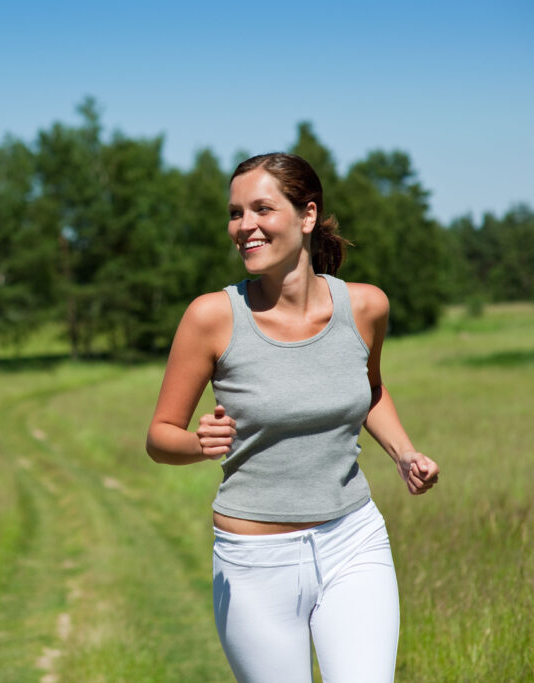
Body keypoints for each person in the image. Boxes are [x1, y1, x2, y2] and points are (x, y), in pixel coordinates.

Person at [145, 153, 439, 682]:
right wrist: (198, 444)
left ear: (307, 216)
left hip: (354, 541)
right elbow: (160, 436)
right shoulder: (211, 317)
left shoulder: (366, 307)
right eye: (235, 213)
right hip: (254, 562)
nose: (244, 227)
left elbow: (370, 390)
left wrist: (404, 452)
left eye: (261, 208)